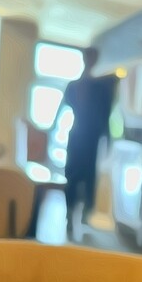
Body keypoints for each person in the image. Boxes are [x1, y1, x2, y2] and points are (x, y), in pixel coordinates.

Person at [57, 47, 116, 234]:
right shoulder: (75, 86)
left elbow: (105, 116)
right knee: (72, 175)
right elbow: (62, 109)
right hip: (77, 136)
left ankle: (84, 214)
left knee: (89, 177)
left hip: (92, 139)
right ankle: (70, 215)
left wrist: (108, 139)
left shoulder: (101, 87)